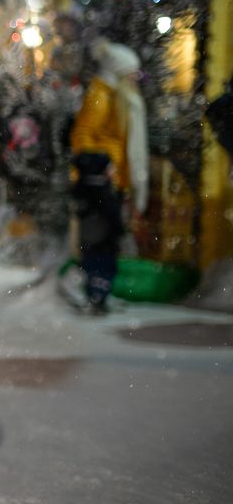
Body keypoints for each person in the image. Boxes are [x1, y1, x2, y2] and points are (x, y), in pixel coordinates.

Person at [69, 40, 148, 309]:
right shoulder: (102, 96)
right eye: (131, 73)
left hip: (110, 182)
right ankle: (96, 290)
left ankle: (100, 290)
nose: (135, 78)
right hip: (100, 183)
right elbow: (83, 136)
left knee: (107, 238)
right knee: (100, 238)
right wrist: (101, 165)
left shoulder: (116, 96)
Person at [71, 153, 125, 314]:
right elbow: (112, 216)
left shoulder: (82, 188)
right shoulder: (103, 190)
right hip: (105, 242)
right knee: (104, 270)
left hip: (89, 241)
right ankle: (98, 299)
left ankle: (93, 297)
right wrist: (119, 232)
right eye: (110, 167)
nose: (113, 171)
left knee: (91, 269)